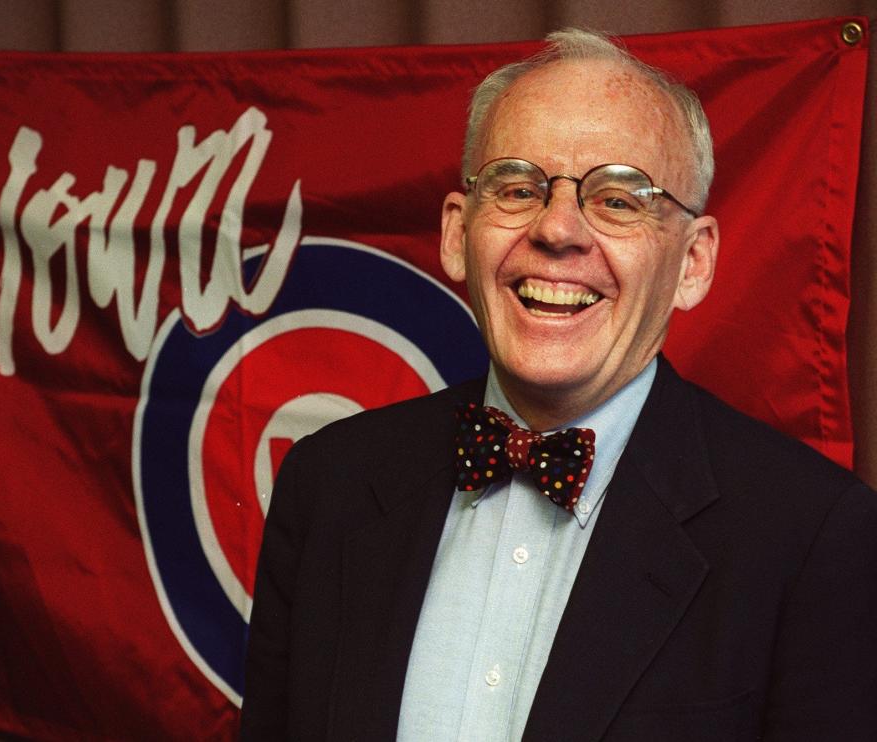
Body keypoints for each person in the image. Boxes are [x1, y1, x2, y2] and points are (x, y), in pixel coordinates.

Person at [241, 28, 877, 741]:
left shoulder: (812, 537)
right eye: (518, 187)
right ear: (458, 233)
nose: (559, 229)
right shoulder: (328, 484)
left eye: (619, 199)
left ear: (693, 263)